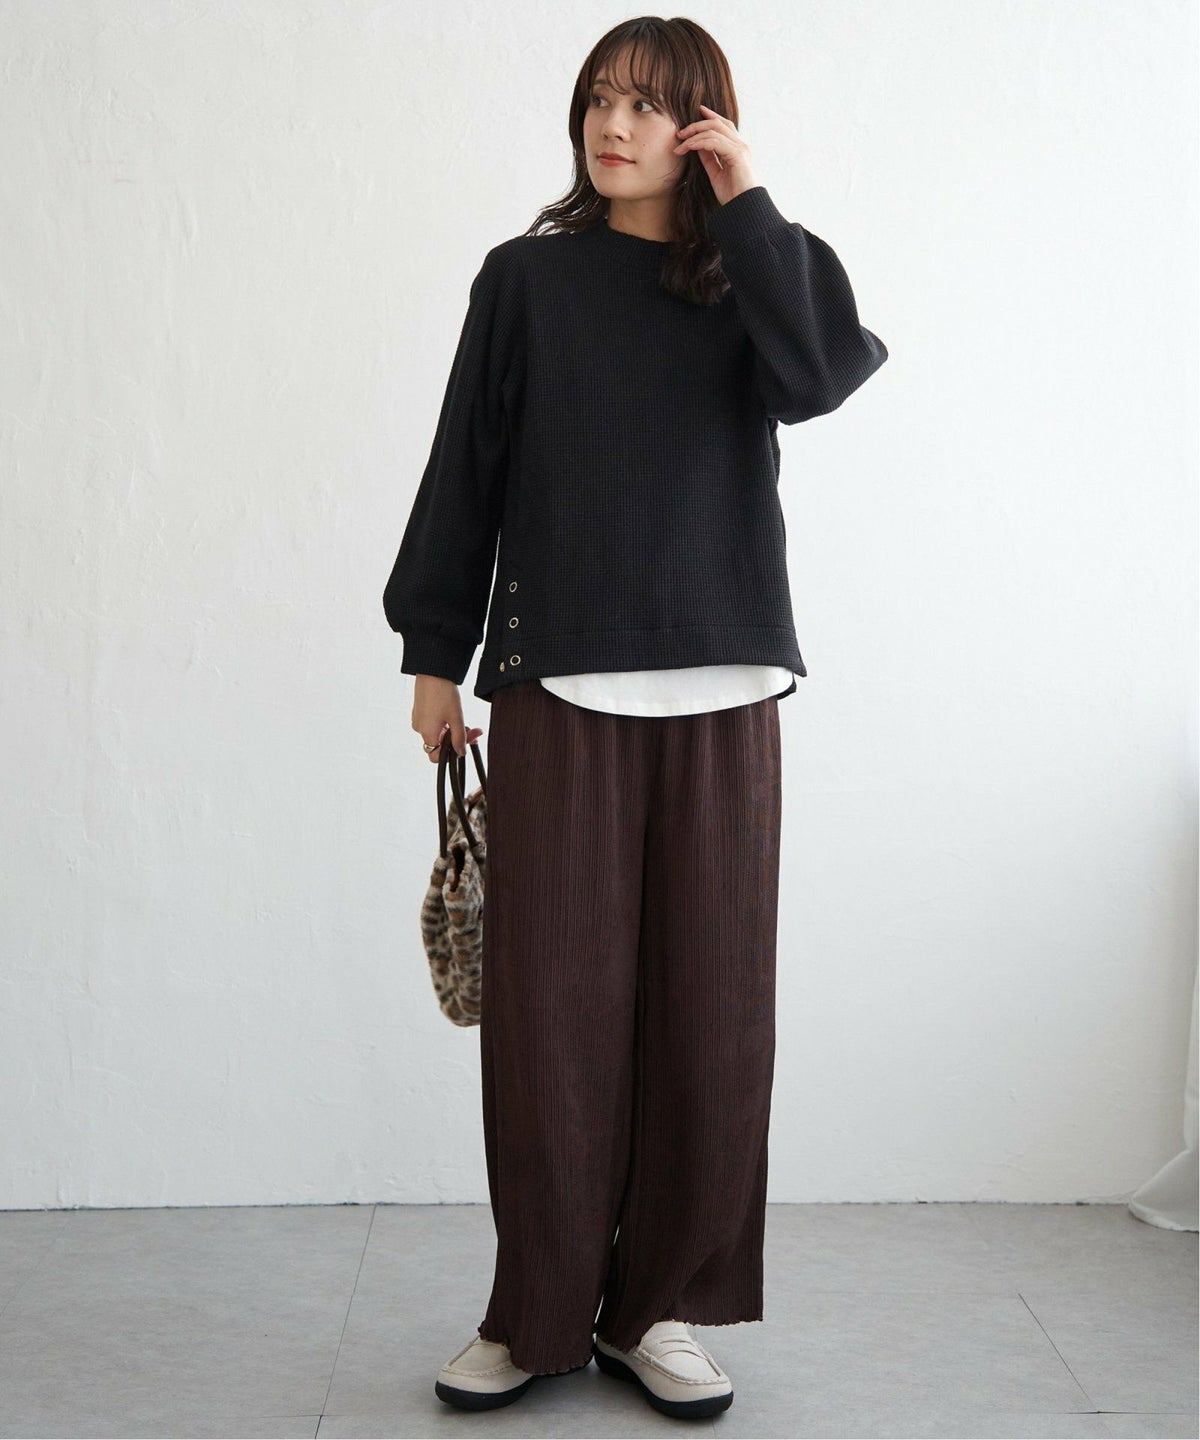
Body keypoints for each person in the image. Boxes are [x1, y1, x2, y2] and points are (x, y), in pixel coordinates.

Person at [382, 16, 888, 1420]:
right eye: (600, 99)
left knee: (711, 1022)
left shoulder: (758, 280)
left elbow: (823, 377)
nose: (615, 125)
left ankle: (655, 1309)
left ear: (702, 127)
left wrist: (750, 203)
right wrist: (434, 656)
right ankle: (536, 1312)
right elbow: (466, 467)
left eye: (652, 106)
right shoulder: (528, 281)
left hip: (726, 689)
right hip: (558, 684)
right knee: (552, 1021)